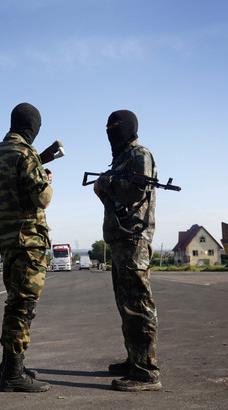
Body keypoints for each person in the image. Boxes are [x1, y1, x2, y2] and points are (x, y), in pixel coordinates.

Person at [0, 102, 52, 393]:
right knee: (22, 307)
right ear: (32, 127)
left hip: (6, 242)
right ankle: (13, 375)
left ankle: (8, 365)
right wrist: (46, 181)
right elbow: (42, 198)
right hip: (28, 242)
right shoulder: (27, 154)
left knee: (14, 302)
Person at [93, 109, 162, 392]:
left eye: (117, 126)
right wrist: (104, 188)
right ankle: (135, 358)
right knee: (126, 305)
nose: (112, 131)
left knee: (138, 305)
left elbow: (136, 191)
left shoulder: (139, 154)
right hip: (120, 239)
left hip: (134, 239)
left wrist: (105, 184)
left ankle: (146, 373)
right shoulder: (120, 159)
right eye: (108, 126)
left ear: (131, 127)